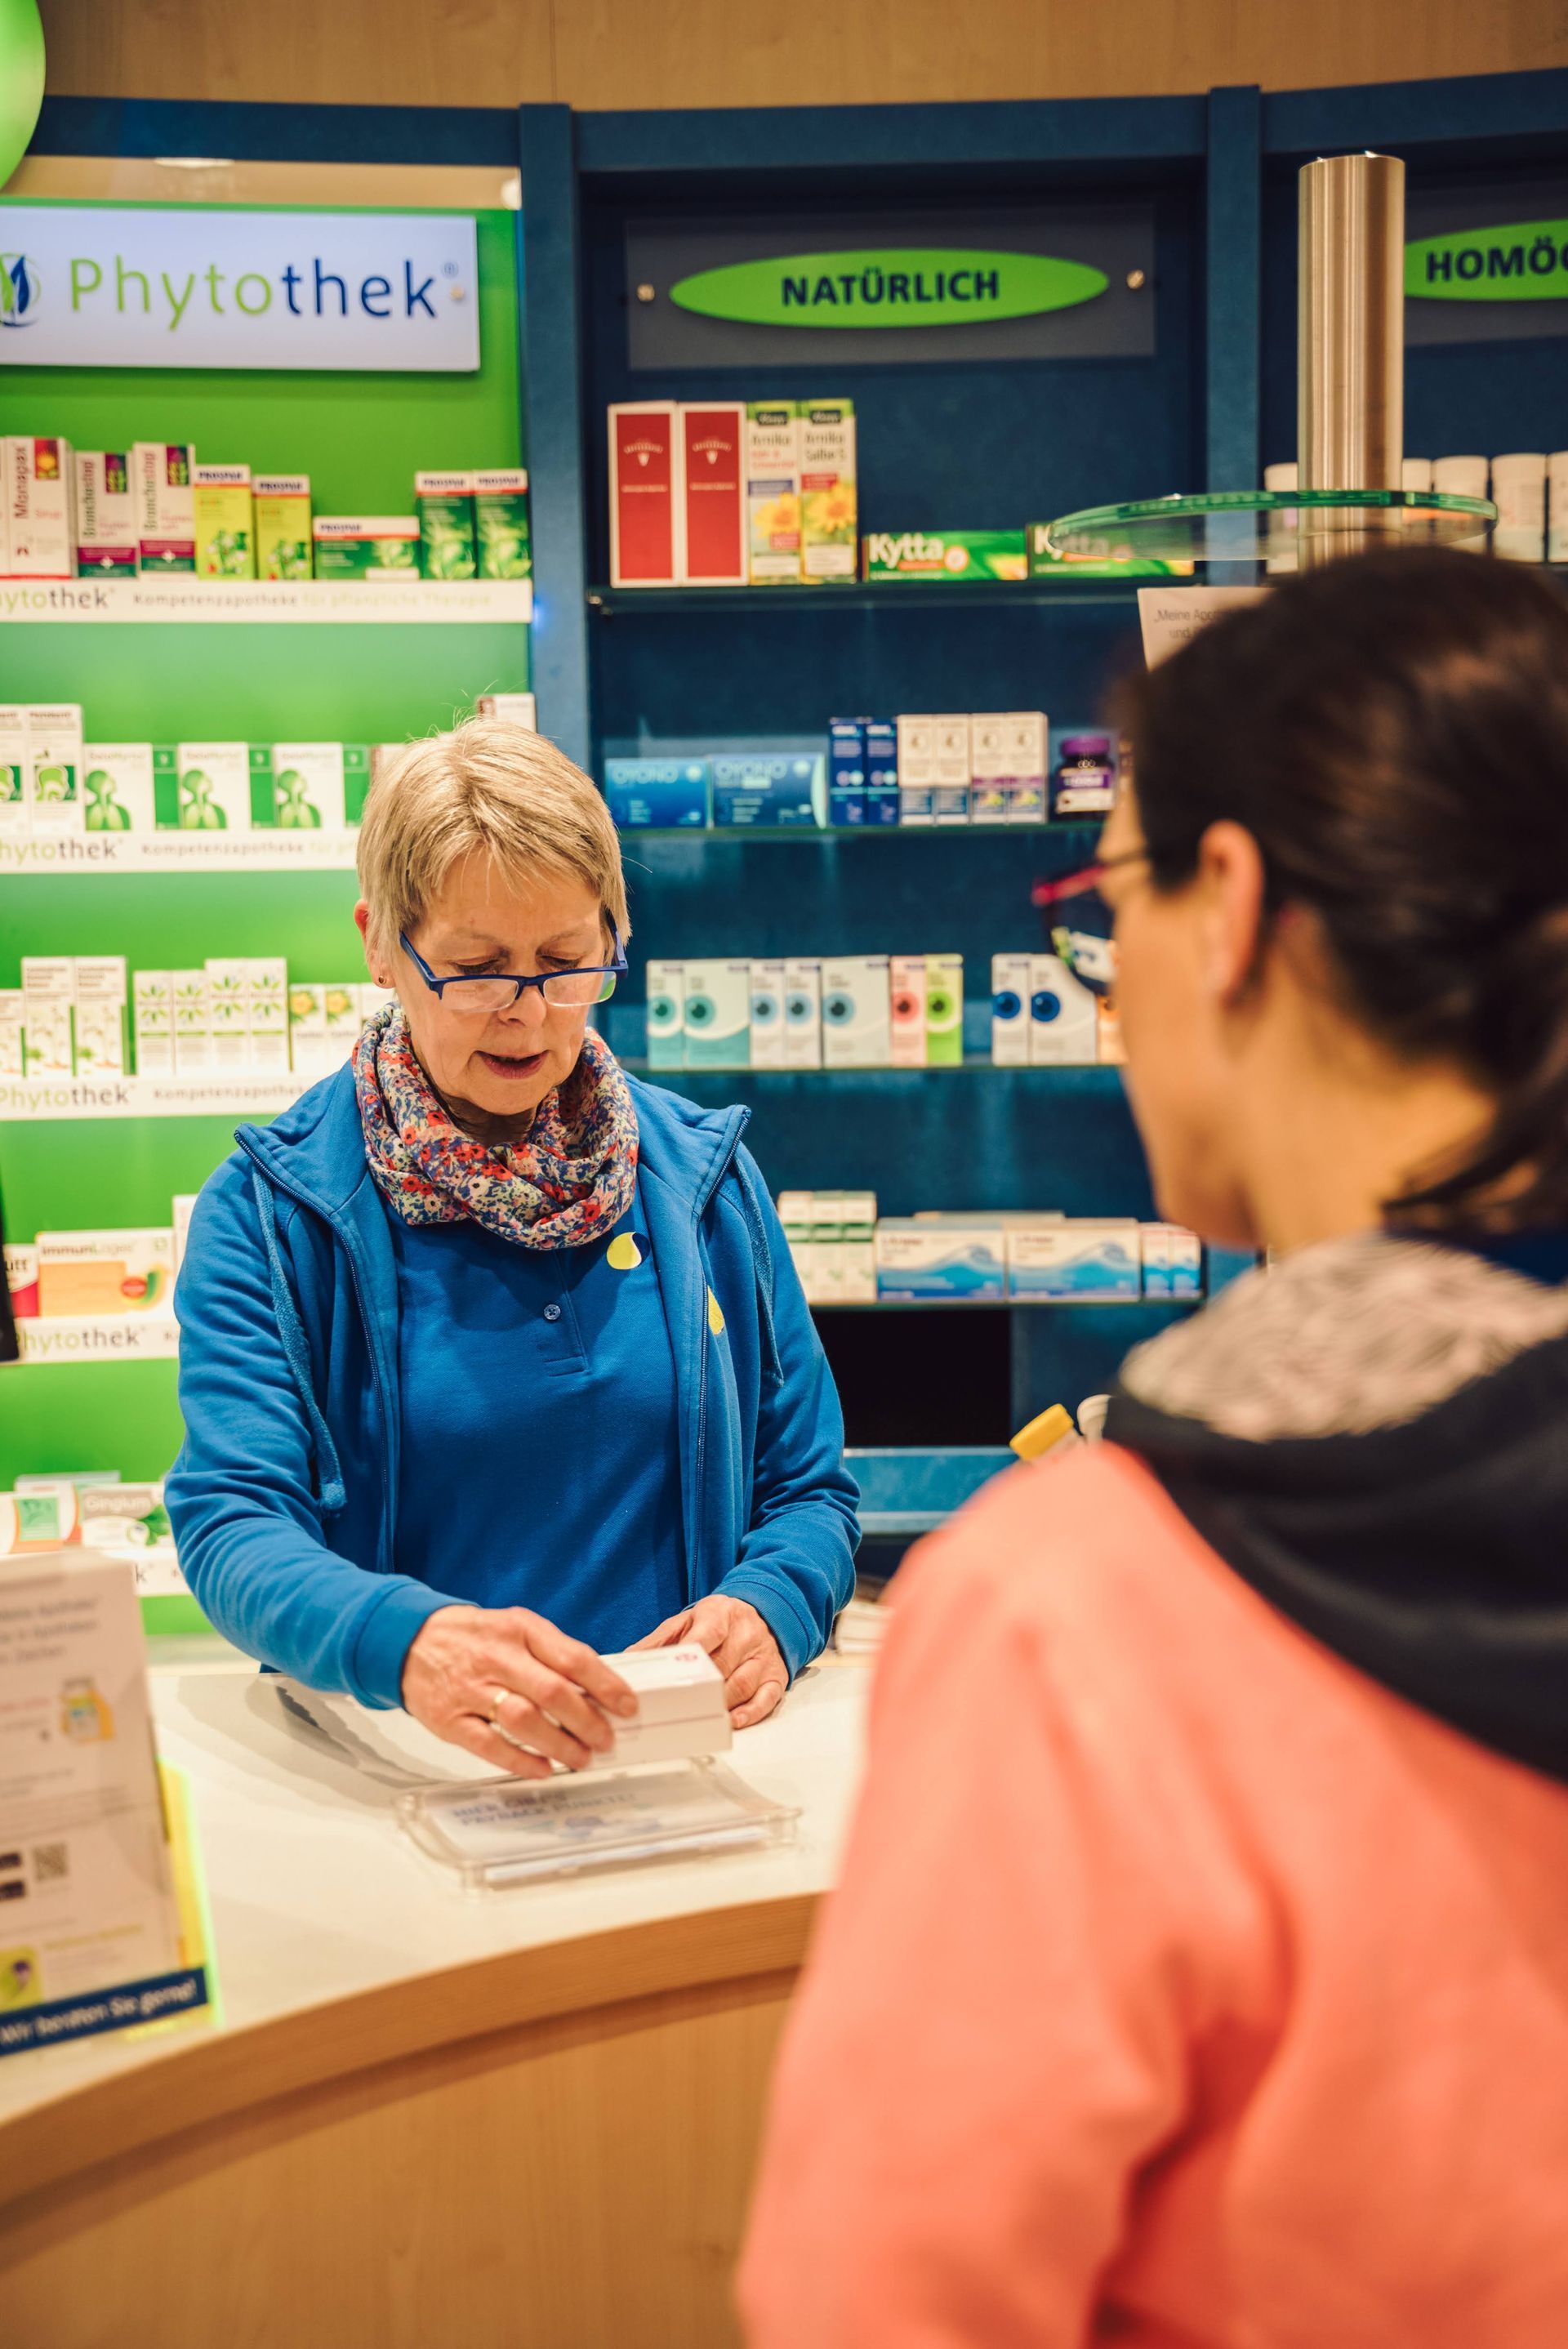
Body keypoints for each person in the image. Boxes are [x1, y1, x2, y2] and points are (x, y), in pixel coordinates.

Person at [740, 546, 1568, 2345]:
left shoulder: (1088, 1612)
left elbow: (881, 2299)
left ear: (1235, 908)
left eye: (1101, 907)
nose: (1105, 987)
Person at [167, 719, 858, 1772]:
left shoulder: (702, 1178)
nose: (527, 1016)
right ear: (378, 942)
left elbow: (809, 1488)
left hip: (689, 1772)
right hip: (417, 1782)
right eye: (478, 969)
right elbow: (232, 1523)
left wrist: (773, 1605)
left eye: (566, 964)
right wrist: (407, 1645)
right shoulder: (274, 1214)